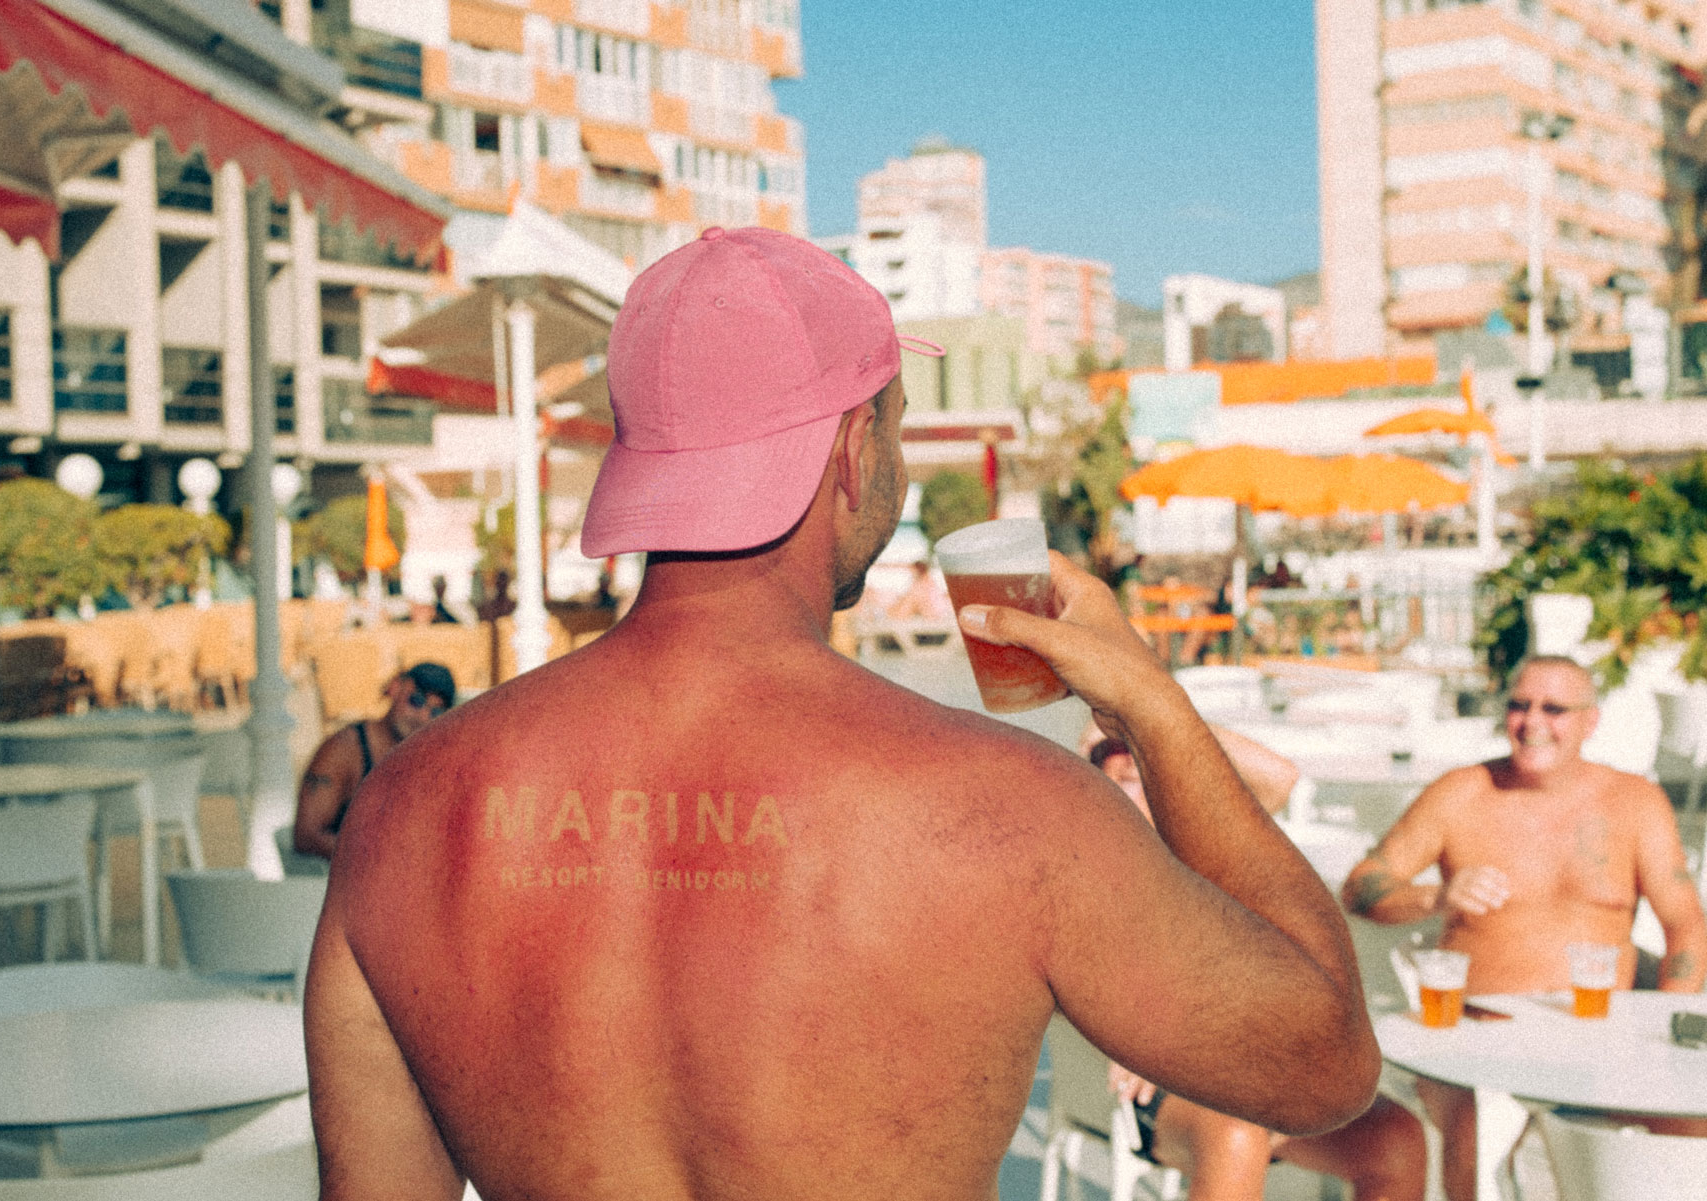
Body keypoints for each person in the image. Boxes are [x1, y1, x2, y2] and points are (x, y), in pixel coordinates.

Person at [303, 227, 1380, 1201]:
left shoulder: (404, 808)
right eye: (897, 430)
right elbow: (1325, 1060)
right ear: (853, 449)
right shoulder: (1005, 810)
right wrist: (1152, 701)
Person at [1340, 654, 1707, 1200]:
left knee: (1690, 1137)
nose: (1532, 722)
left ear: (1590, 721)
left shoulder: (1634, 802)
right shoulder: (1463, 792)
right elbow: (1362, 884)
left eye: (1554, 708)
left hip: (1599, 1035)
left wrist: (1655, 1029)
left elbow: (1686, 926)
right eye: (1519, 705)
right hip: (1475, 1035)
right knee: (1474, 1137)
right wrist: (1435, 895)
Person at [1088, 732, 1426, 1201]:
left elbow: (1279, 778)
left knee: (1395, 1141)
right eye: (1121, 772)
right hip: (1147, 1080)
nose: (1137, 778)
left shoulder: (1204, 848)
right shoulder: (1086, 862)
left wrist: (1144, 709)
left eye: (1149, 768)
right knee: (1236, 1137)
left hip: (1249, 1066)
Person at [293, 661, 455, 861]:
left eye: (435, 712)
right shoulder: (345, 750)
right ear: (395, 688)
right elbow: (307, 836)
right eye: (416, 700)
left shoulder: (429, 762)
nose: (422, 717)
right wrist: (379, 863)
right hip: (346, 884)